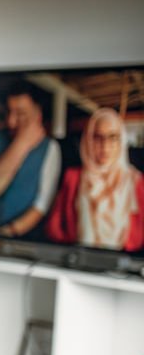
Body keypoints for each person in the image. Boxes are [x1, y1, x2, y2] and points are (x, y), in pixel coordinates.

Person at [46, 107, 144, 251]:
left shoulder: (135, 182)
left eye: (113, 137)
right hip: (79, 261)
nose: (105, 145)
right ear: (88, 140)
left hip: (121, 269)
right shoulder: (73, 177)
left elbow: (139, 236)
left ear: (121, 141)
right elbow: (53, 228)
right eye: (98, 137)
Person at [0, 81, 61, 238]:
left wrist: (7, 233)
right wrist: (21, 144)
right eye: (9, 112)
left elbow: (41, 205)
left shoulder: (51, 149)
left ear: (37, 116)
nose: (11, 121)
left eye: (20, 113)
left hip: (21, 240)